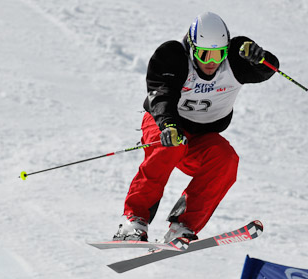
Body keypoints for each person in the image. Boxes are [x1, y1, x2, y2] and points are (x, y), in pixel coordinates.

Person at [114, 11, 279, 242]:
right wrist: (168, 124)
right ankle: (133, 221)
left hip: (202, 136)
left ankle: (182, 226)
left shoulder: (234, 61)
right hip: (165, 125)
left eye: (218, 54)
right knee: (172, 146)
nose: (211, 62)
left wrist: (260, 58)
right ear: (192, 47)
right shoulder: (173, 56)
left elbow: (268, 70)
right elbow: (161, 93)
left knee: (226, 159)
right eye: (204, 54)